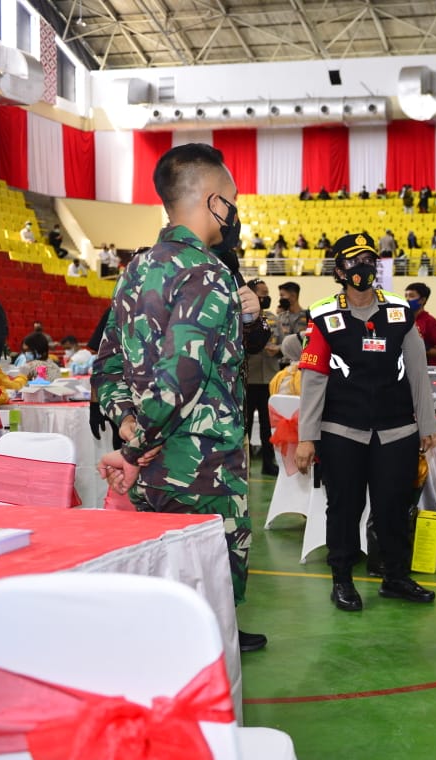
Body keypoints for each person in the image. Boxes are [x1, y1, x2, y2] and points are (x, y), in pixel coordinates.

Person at [92, 142, 267, 653]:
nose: (234, 210)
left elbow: (105, 367)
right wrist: (130, 447)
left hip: (150, 473)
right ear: (214, 200)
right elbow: (178, 382)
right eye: (231, 198)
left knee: (161, 604)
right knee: (208, 616)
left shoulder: (136, 269)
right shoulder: (207, 272)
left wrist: (128, 428)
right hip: (203, 472)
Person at [293, 232, 436, 611]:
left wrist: (427, 426)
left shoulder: (400, 312)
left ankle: (396, 576)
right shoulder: (324, 315)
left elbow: (419, 374)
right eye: (354, 261)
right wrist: (307, 438)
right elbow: (314, 379)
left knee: (393, 507)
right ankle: (342, 578)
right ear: (340, 269)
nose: (363, 268)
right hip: (342, 430)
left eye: (369, 260)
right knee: (344, 507)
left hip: (397, 431)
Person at [244, 278, 281, 476]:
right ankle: (246, 464)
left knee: (268, 426)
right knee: (246, 425)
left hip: (269, 381)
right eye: (261, 293)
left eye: (267, 293)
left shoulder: (274, 319)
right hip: (249, 381)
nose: (265, 297)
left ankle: (269, 462)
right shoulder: (243, 319)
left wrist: (279, 349)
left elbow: (284, 344)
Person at [404, 282, 436, 366]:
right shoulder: (404, 321)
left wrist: (421, 348)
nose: (407, 299)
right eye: (406, 295)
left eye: (411, 296)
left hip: (426, 372)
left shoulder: (431, 322)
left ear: (422, 300)